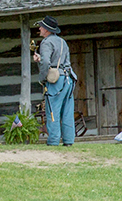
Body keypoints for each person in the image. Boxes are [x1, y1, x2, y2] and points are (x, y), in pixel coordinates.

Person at [33, 16, 77, 146]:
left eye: (41, 26)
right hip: (68, 79)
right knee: (68, 111)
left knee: (52, 111)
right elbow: (63, 61)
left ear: (46, 30)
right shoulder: (63, 42)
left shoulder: (46, 42)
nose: (39, 28)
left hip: (56, 81)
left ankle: (53, 141)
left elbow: (46, 62)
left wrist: (42, 78)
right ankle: (68, 141)